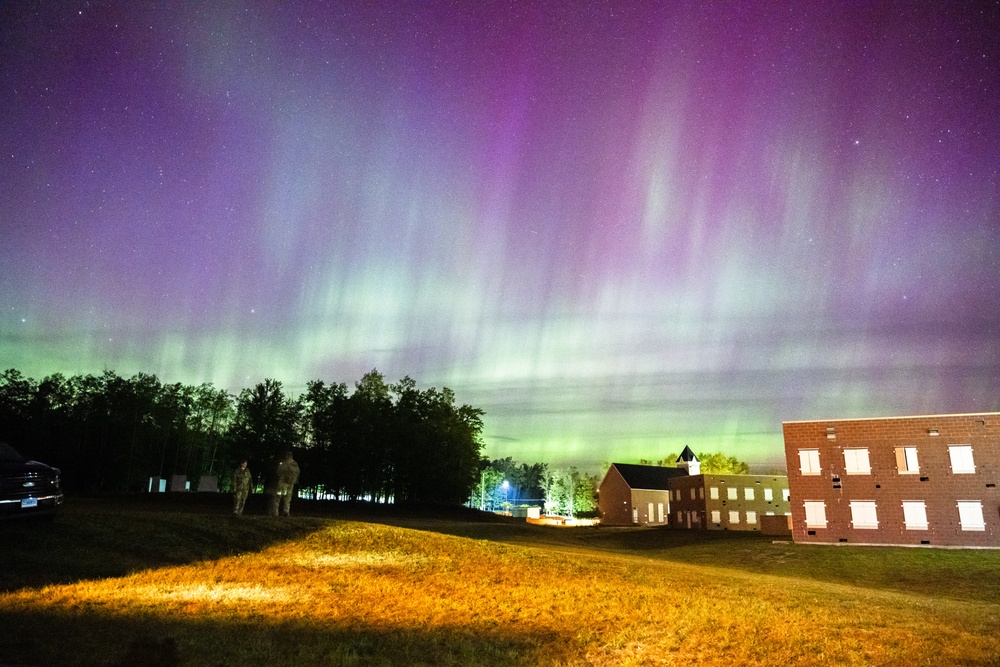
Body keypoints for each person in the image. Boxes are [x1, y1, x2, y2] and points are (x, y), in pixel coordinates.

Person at [270, 451, 300, 517]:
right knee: (287, 499)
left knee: (277, 498)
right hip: (291, 484)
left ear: (286, 456)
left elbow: (278, 472)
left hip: (282, 483)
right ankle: (286, 512)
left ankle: (275, 513)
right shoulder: (295, 463)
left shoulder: (284, 463)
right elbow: (298, 473)